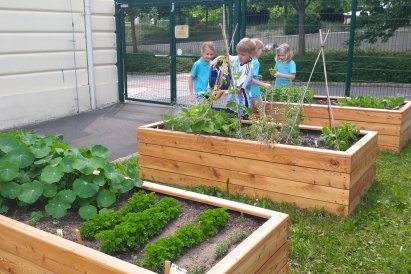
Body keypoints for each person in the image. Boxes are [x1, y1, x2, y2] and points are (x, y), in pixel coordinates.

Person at [211, 38, 256, 115]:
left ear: (251, 54)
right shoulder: (238, 59)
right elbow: (227, 57)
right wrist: (217, 59)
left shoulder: (247, 69)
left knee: (241, 125)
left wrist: (221, 91)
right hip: (231, 103)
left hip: (241, 106)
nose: (239, 56)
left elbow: (239, 91)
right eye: (238, 53)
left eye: (243, 54)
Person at [250, 38, 272, 112]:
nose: (262, 52)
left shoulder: (247, 60)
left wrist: (257, 76)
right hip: (254, 92)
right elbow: (250, 79)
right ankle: (263, 123)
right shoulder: (256, 62)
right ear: (257, 49)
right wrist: (264, 84)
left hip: (246, 92)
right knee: (262, 112)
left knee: (247, 113)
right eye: (261, 50)